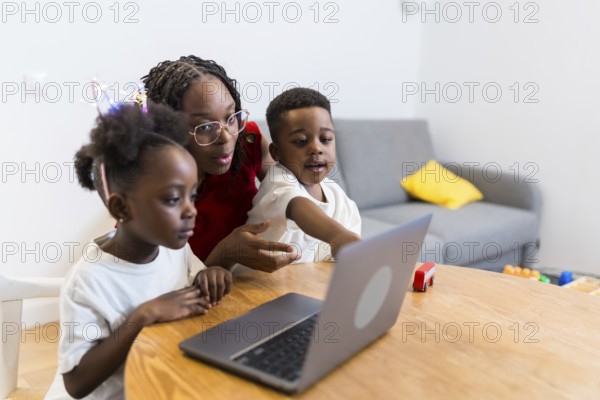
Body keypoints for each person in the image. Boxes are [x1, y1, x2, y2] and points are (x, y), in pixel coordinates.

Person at [45, 102, 232, 400]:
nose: (191, 210)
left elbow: (195, 280)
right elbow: (76, 384)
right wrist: (144, 315)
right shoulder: (88, 281)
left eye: (192, 195)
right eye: (173, 199)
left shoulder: (174, 249)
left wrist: (211, 274)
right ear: (121, 207)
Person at [142, 55, 299, 272]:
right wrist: (223, 256)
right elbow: (158, 292)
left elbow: (292, 194)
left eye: (230, 118)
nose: (226, 138)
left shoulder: (248, 142)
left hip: (262, 287)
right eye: (205, 127)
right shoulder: (151, 199)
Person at [246, 88, 361, 263]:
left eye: (325, 139)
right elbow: (296, 205)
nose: (316, 148)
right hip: (258, 285)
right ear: (276, 153)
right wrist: (337, 235)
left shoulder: (338, 197)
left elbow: (349, 247)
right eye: (301, 141)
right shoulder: (278, 181)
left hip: (307, 284)